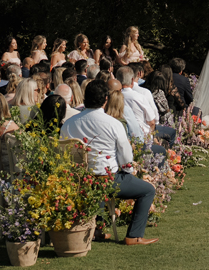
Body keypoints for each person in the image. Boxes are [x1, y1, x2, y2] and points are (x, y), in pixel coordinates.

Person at [61, 80, 158, 245]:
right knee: (148, 190)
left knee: (97, 183)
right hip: (107, 179)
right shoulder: (113, 123)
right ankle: (133, 236)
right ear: (106, 100)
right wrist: (126, 169)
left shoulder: (69, 124)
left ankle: (97, 229)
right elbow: (126, 157)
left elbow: (64, 153)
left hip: (78, 180)